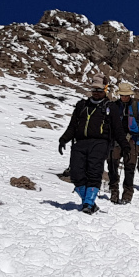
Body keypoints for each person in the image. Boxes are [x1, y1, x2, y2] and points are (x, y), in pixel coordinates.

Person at [57, 78, 118, 214]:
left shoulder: (110, 107)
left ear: (105, 90)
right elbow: (73, 125)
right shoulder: (82, 105)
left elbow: (117, 129)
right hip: (80, 142)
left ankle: (88, 204)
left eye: (99, 90)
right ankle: (88, 201)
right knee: (76, 174)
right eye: (93, 89)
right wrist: (63, 139)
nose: (96, 92)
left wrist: (125, 147)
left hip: (101, 143)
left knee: (94, 172)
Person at [108, 81, 139, 204]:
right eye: (122, 95)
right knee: (112, 164)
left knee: (129, 167)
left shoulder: (138, 106)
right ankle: (114, 192)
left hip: (133, 139)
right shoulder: (114, 106)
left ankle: (127, 195)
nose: (124, 97)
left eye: (126, 95)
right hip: (116, 139)